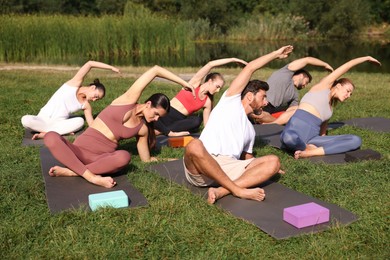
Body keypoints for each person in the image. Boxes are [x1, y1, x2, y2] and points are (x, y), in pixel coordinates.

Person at [43, 65, 194, 188]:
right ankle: (91, 177)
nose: (155, 119)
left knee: (124, 157)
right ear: (148, 104)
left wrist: (172, 159)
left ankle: (73, 171)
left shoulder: (142, 129)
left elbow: (146, 160)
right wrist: (184, 83)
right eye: (155, 114)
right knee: (51, 136)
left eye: (158, 117)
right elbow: (155, 70)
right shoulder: (126, 100)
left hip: (101, 159)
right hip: (78, 151)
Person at [183, 46, 293, 204]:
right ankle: (237, 190)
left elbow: (247, 160)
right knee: (194, 145)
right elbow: (250, 68)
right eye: (263, 97)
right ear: (249, 96)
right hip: (202, 167)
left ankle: (222, 191)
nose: (266, 102)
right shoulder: (230, 101)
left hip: (227, 169)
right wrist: (275, 54)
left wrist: (270, 169)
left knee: (273, 160)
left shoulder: (250, 130)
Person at [280, 56, 381, 159]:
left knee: (355, 140)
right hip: (296, 131)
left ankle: (311, 152)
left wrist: (324, 142)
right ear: (338, 86)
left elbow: (322, 133)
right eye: (348, 91)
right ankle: (307, 148)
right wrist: (366, 58)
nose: (349, 95)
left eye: (351, 94)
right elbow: (347, 66)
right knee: (288, 138)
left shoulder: (330, 109)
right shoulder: (322, 87)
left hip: (313, 138)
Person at [21, 61, 121, 139]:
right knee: (25, 120)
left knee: (80, 121)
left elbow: (92, 125)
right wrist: (111, 67)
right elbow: (89, 64)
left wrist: (111, 130)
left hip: (58, 123)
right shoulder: (74, 84)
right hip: (42, 118)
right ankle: (54, 132)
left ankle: (47, 133)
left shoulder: (86, 105)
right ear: (92, 88)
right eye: (96, 96)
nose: (94, 100)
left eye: (97, 99)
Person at [154, 58, 247, 137]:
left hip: (178, 121)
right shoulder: (194, 84)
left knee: (197, 121)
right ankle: (161, 129)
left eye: (219, 88)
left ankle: (161, 130)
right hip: (167, 113)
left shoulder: (207, 102)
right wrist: (233, 59)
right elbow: (210, 64)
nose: (217, 90)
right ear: (210, 81)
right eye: (217, 86)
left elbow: (207, 125)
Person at [250, 57, 334, 125]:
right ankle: (268, 121)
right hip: (260, 104)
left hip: (271, 112)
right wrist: (325, 65)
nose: (305, 85)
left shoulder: (295, 95)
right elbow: (307, 60)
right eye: (306, 82)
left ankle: (270, 123)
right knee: (258, 115)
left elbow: (292, 110)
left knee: (299, 109)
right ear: (302, 75)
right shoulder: (285, 73)